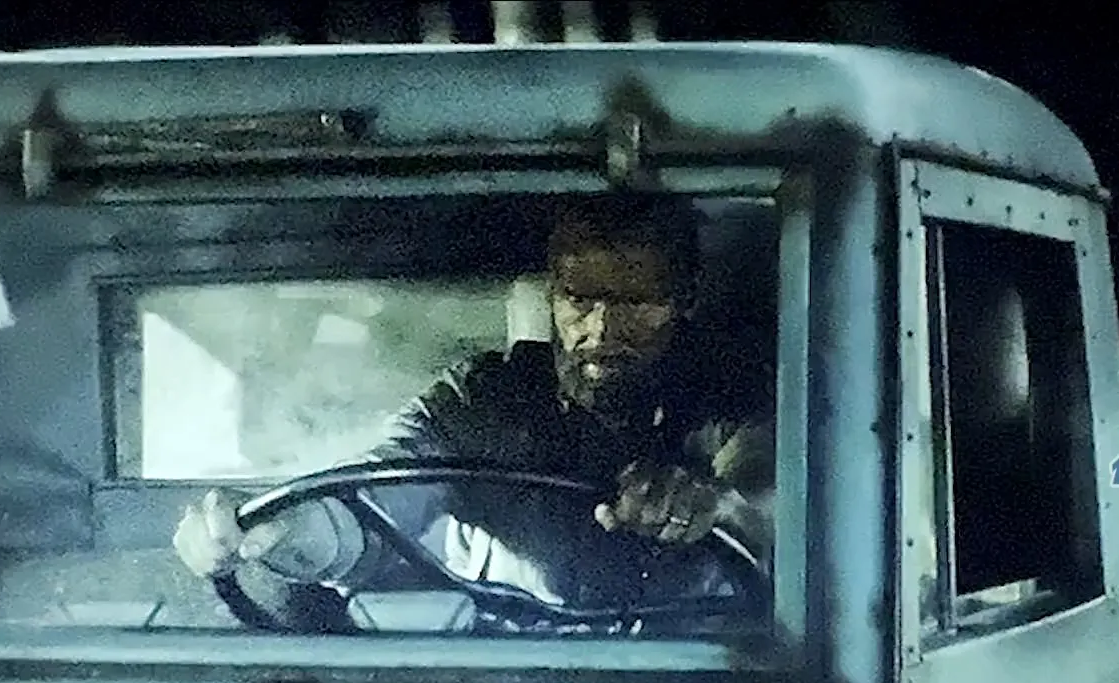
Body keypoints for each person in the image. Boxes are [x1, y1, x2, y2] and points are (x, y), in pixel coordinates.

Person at [171, 194, 775, 631]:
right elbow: (377, 498)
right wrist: (281, 530)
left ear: (684, 299)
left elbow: (767, 485)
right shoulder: (482, 399)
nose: (600, 328)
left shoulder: (731, 389)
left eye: (637, 303)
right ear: (551, 294)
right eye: (578, 298)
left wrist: (713, 501)